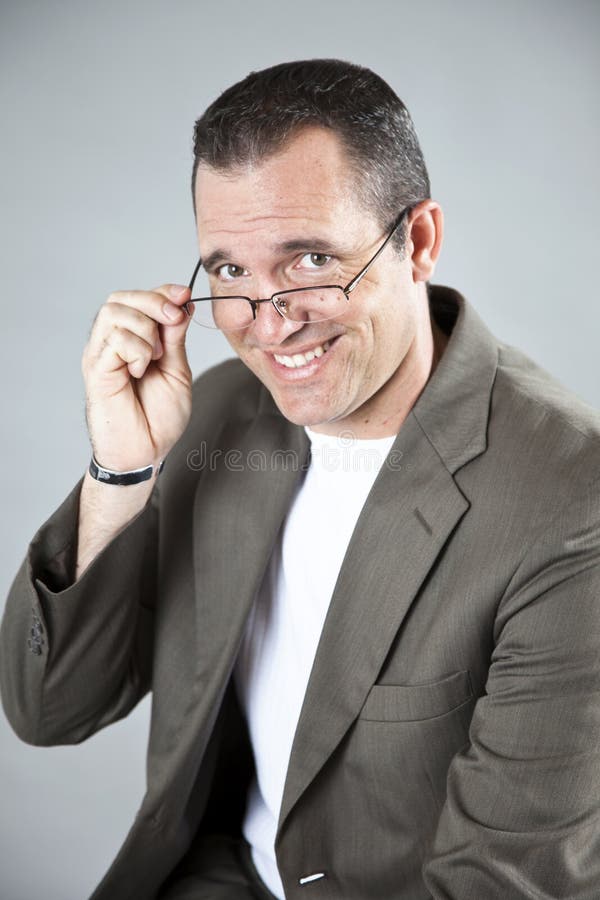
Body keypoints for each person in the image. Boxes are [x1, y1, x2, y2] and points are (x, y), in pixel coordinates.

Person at [1, 58, 599, 900]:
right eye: (230, 273)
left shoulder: (570, 504)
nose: (269, 324)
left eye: (311, 259)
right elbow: (49, 710)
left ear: (420, 242)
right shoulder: (214, 416)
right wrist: (121, 470)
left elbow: (501, 885)